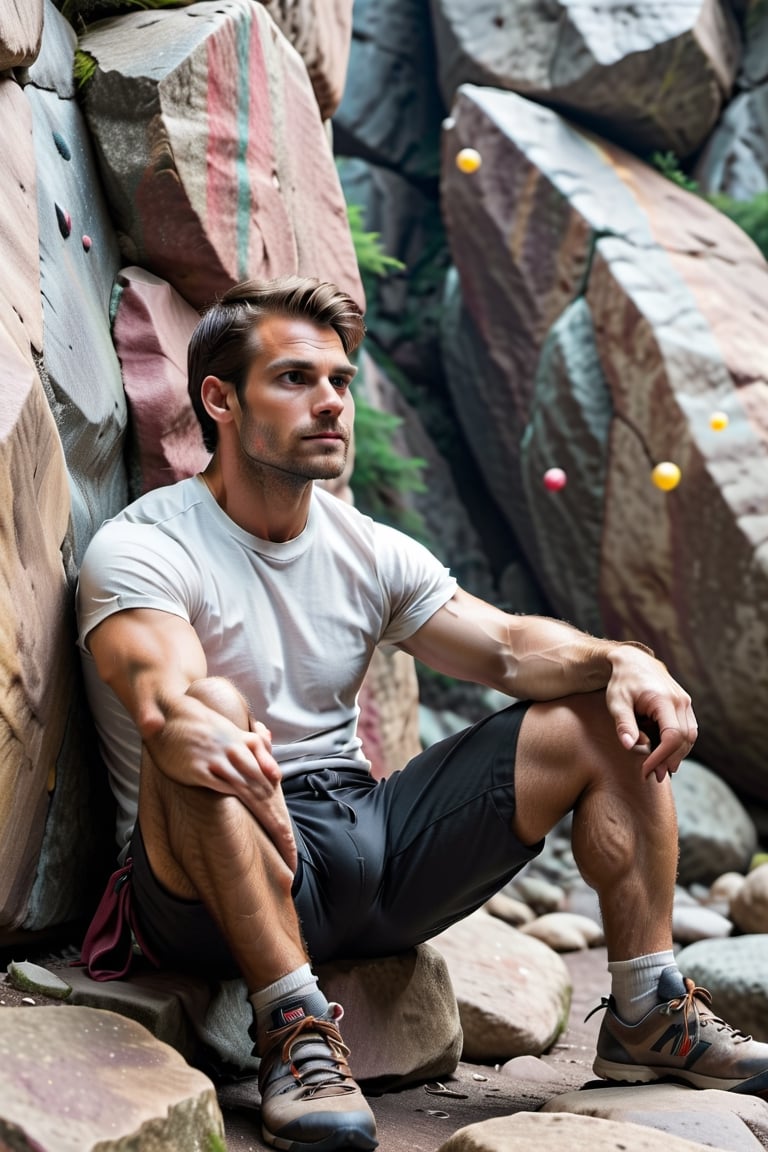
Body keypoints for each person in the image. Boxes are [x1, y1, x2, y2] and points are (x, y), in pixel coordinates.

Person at [76, 275, 768, 1152]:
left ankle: (649, 1011)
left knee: (600, 705)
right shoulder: (145, 546)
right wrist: (201, 723)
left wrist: (625, 659)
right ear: (218, 398)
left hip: (363, 839)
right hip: (207, 873)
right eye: (295, 379)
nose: (330, 402)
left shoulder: (365, 547)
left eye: (340, 380)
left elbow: (511, 649)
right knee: (203, 719)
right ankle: (293, 1029)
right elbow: (165, 697)